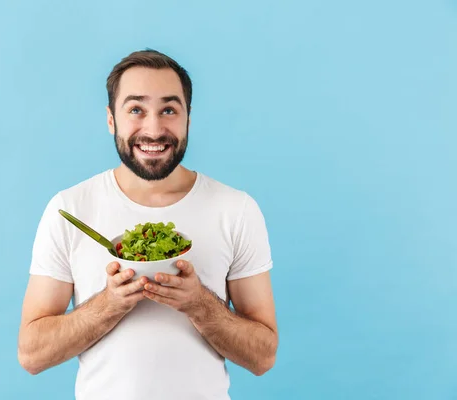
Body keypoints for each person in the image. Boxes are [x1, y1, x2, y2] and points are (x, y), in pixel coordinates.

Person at [17, 49, 278, 400]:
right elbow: (32, 354)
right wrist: (109, 304)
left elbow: (263, 356)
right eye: (136, 109)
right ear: (111, 119)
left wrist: (198, 303)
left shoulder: (236, 209)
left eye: (169, 110)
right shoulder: (70, 208)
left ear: (188, 118)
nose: (153, 130)